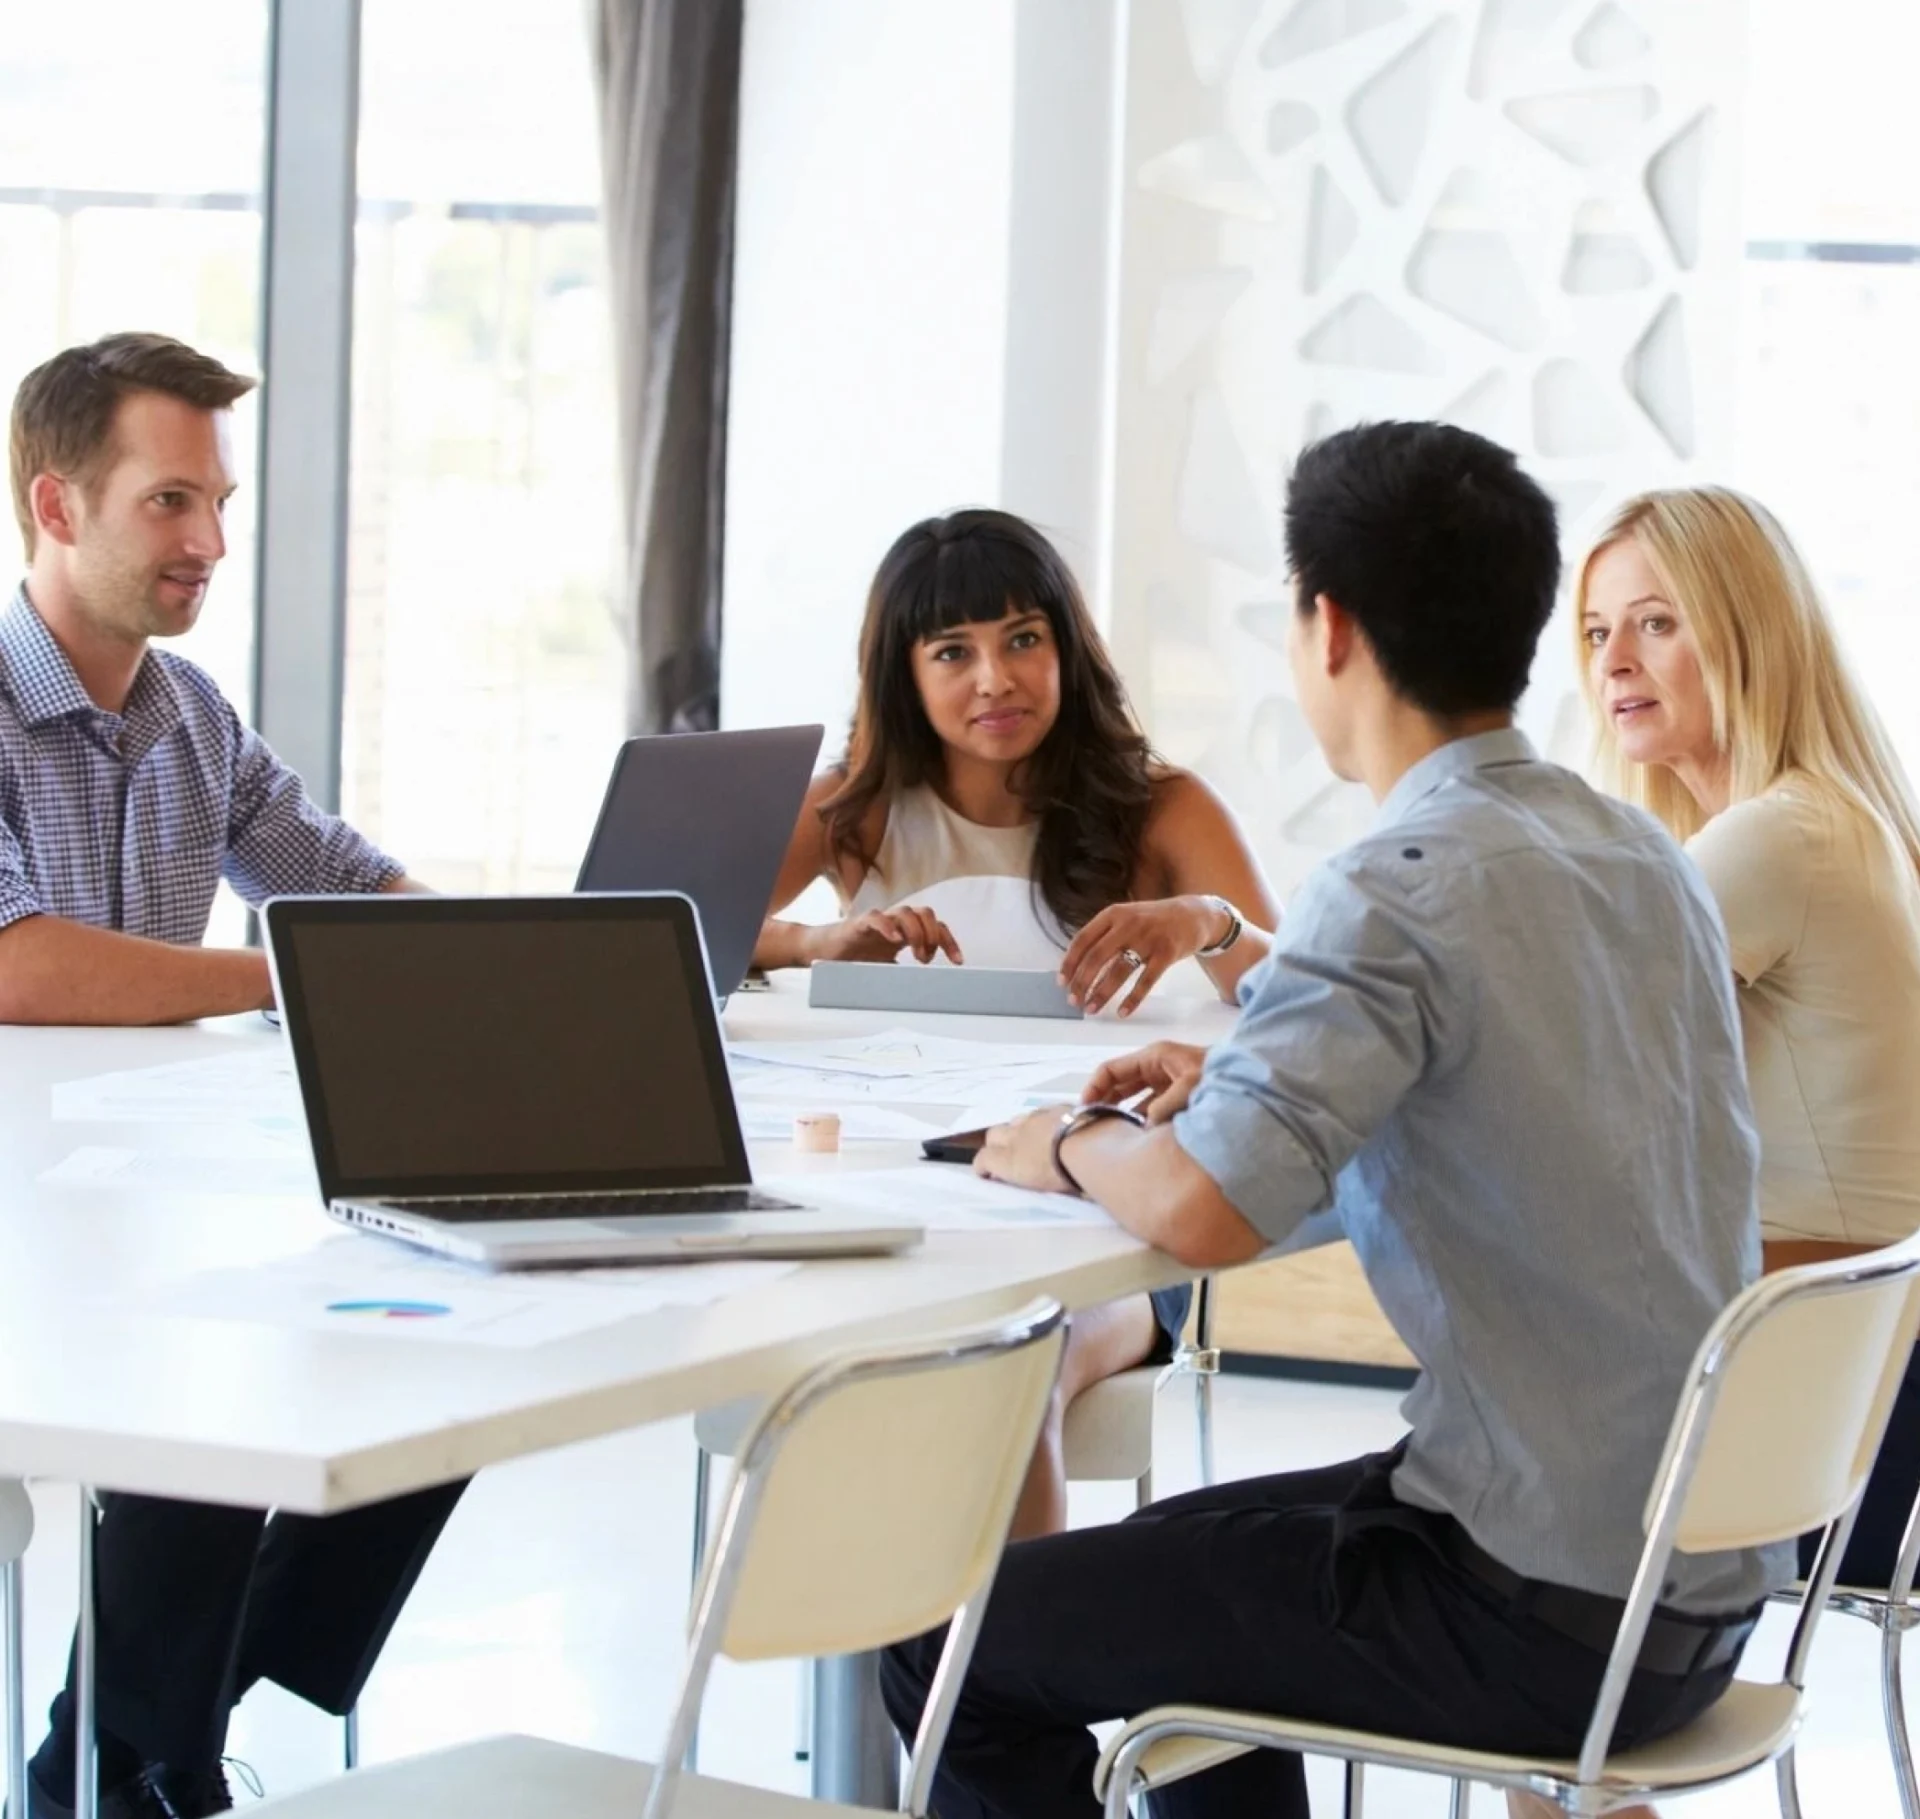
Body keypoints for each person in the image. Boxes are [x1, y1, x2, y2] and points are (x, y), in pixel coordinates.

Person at [878, 423, 1789, 1819]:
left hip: (1530, 1604)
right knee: (1189, 1602)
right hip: (1693, 1580)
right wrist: (1226, 1099)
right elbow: (1476, 1118)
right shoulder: (1639, 852)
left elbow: (1200, 1213)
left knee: (955, 1649)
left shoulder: (1396, 881)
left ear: (1330, 624)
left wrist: (1062, 1141)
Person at [6, 333, 460, 1819]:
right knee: (225, 1360)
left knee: (440, 1321)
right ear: (56, 505)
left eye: (221, 503)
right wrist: (310, 976)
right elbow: (17, 963)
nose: (208, 542)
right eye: (169, 502)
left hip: (134, 1190)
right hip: (21, 1212)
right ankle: (137, 1750)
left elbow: (341, 882)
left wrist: (505, 963)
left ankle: (134, 1737)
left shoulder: (190, 715)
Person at [754, 508, 1281, 1536]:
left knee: (1005, 1373)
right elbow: (694, 929)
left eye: (1023, 640)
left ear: (1066, 650)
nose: (994, 679)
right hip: (902, 1199)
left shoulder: (1163, 808)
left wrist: (1206, 923)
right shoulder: (850, 810)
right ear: (903, 672)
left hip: (1111, 1216)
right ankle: (935, 1684)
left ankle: (994, 1688)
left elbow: (1294, 1002)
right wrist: (814, 944)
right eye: (954, 651)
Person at [1547, 487, 1920, 1819]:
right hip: (1844, 1417)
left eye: (1659, 622)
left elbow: (1539, 1035)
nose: (1616, 663)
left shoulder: (1781, 836)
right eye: (1596, 631)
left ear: (1750, 632)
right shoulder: (1830, 819)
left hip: (1802, 1438)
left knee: (1483, 1563)